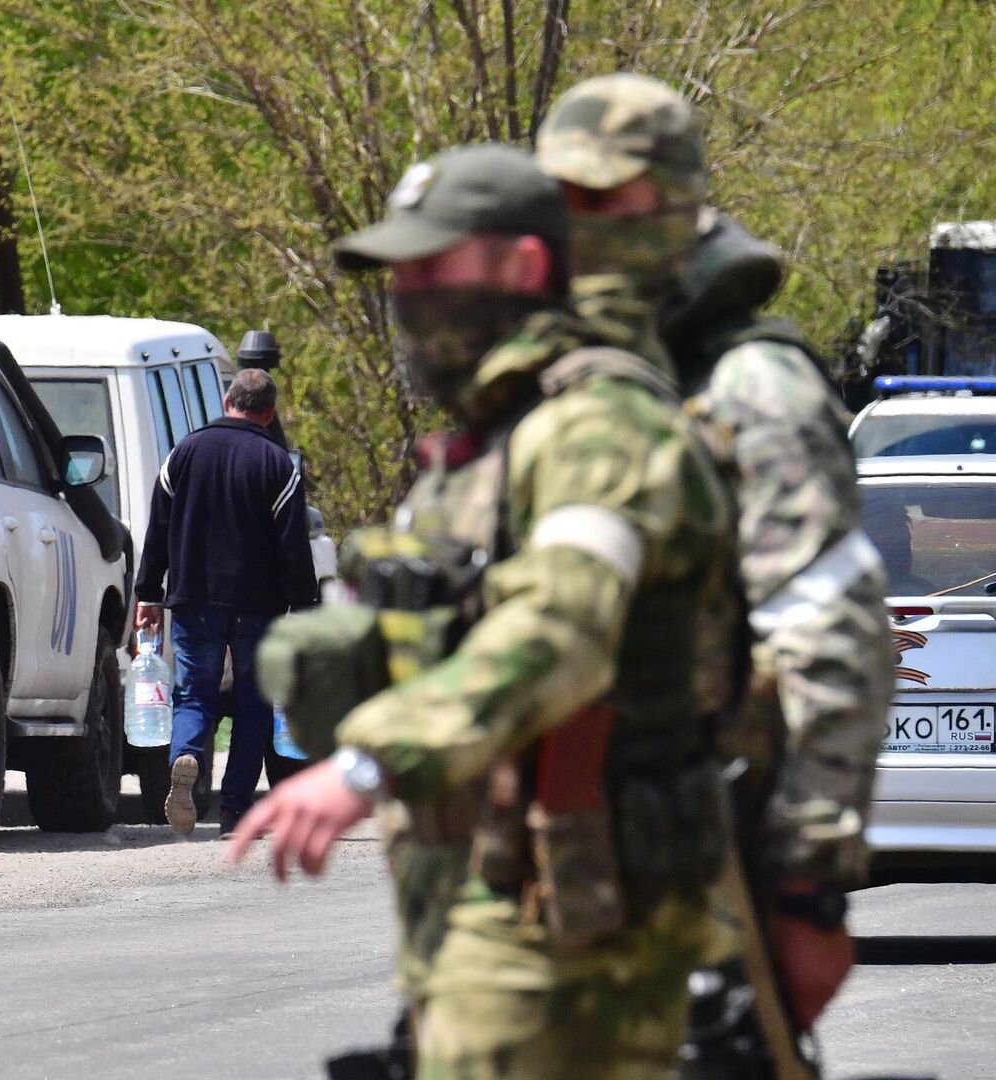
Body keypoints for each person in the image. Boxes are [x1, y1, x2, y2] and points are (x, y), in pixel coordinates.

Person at [229, 142, 740, 1079]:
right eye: (400, 273)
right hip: (471, 912)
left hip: (575, 925)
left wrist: (367, 761)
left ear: (526, 266)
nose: (410, 294)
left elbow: (564, 630)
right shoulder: (478, 452)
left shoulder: (599, 428)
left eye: (435, 265)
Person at [535, 73, 894, 1036]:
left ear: (681, 200)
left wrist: (811, 889)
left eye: (611, 199)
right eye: (567, 201)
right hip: (556, 860)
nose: (585, 227)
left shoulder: (748, 384)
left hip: (702, 862)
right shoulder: (568, 378)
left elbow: (829, 629)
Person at [134, 367, 319, 837]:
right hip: (260, 605)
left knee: (194, 694)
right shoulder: (278, 464)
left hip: (194, 599)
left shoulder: (184, 454)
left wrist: (147, 594)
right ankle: (236, 810)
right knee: (255, 702)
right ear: (269, 412)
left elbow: (157, 529)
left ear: (226, 400)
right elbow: (293, 545)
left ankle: (187, 756)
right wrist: (304, 606)